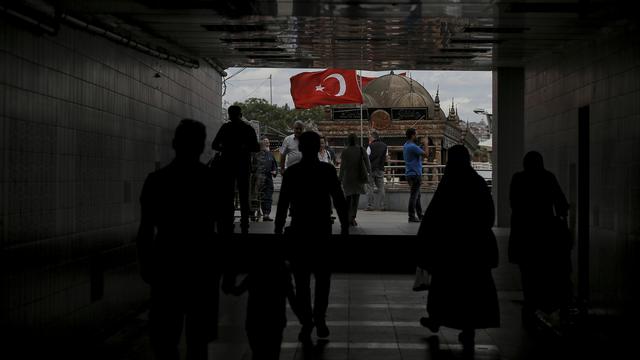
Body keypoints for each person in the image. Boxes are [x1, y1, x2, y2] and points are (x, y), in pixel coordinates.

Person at [137, 119, 221, 360]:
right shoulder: (211, 180)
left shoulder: (157, 181)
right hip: (201, 265)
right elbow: (221, 227)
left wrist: (145, 263)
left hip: (167, 262)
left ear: (175, 143)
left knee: (164, 339)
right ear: (202, 145)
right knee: (198, 342)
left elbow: (145, 229)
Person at [416, 145, 499, 354]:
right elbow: (489, 214)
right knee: (473, 290)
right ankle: (468, 328)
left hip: (450, 248)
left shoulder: (448, 183)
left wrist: (425, 239)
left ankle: (436, 319)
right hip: (475, 248)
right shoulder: (478, 182)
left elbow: (434, 216)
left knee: (445, 287)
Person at [275, 131, 349, 345]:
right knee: (323, 279)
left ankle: (307, 320)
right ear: (318, 147)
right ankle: (320, 318)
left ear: (300, 147)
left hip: (299, 229)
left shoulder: (292, 173)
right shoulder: (326, 171)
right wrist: (344, 226)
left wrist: (278, 229)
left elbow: (282, 204)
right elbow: (339, 199)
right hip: (321, 230)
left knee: (301, 281)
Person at [508, 151, 571, 329]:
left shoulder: (518, 179)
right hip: (544, 231)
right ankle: (544, 302)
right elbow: (560, 203)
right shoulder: (548, 177)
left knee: (527, 271)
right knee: (544, 268)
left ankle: (531, 302)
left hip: (523, 231)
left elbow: (513, 203)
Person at [224, 244, 291, 360]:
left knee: (258, 353)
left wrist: (230, 277)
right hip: (275, 320)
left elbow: (237, 291)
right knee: (273, 353)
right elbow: (292, 298)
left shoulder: (254, 275)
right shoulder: (282, 276)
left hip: (254, 320)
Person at [212, 105, 260, 235]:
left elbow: (214, 145)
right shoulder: (247, 129)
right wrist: (244, 148)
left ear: (229, 115)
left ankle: (228, 221)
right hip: (243, 165)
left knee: (228, 195)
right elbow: (256, 148)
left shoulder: (226, 128)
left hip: (227, 166)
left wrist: (227, 149)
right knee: (244, 195)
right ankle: (245, 222)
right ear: (241, 114)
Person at [339, 133, 371, 227]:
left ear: (348, 140)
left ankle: (348, 217)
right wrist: (369, 173)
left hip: (348, 178)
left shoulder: (345, 151)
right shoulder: (361, 149)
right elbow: (367, 163)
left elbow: (342, 167)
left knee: (348, 199)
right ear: (356, 140)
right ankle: (352, 218)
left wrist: (340, 178)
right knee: (355, 199)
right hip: (358, 178)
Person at [254, 138, 278, 221]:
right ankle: (252, 214)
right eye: (263, 143)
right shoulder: (255, 154)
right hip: (257, 179)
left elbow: (274, 165)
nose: (265, 144)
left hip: (268, 179)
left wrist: (275, 171)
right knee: (255, 197)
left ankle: (266, 214)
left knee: (268, 197)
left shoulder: (270, 154)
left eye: (266, 143)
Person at [404, 128, 425, 223]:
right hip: (415, 174)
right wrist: (426, 144)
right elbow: (426, 154)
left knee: (417, 195)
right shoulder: (412, 146)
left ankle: (420, 215)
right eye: (416, 134)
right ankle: (411, 216)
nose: (417, 136)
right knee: (414, 196)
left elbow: (416, 151)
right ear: (412, 135)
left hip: (409, 173)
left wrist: (420, 146)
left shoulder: (406, 145)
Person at [365, 130, 388, 211]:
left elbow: (366, 158)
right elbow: (386, 157)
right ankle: (382, 206)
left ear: (373, 137)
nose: (369, 138)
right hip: (380, 169)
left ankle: (370, 206)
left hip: (371, 169)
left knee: (370, 187)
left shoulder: (370, 146)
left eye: (370, 137)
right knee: (381, 187)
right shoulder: (385, 146)